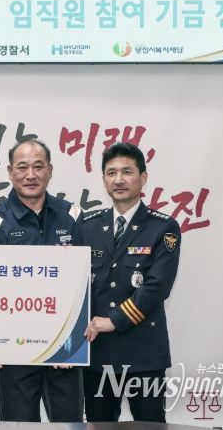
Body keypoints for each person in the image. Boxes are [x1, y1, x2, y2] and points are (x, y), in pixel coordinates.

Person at [0, 139, 84, 423]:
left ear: (50, 170)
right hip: (14, 347)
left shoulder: (72, 216)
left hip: (64, 346)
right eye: (22, 167)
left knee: (69, 423)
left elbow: (86, 282)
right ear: (10, 172)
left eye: (38, 166)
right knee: (18, 424)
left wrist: (74, 340)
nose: (31, 175)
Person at [80, 143, 181, 423]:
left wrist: (113, 320)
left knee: (149, 425)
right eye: (111, 173)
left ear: (143, 177)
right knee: (99, 425)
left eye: (127, 171)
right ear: (104, 181)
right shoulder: (87, 227)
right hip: (97, 353)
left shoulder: (163, 227)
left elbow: (157, 287)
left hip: (144, 353)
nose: (119, 179)